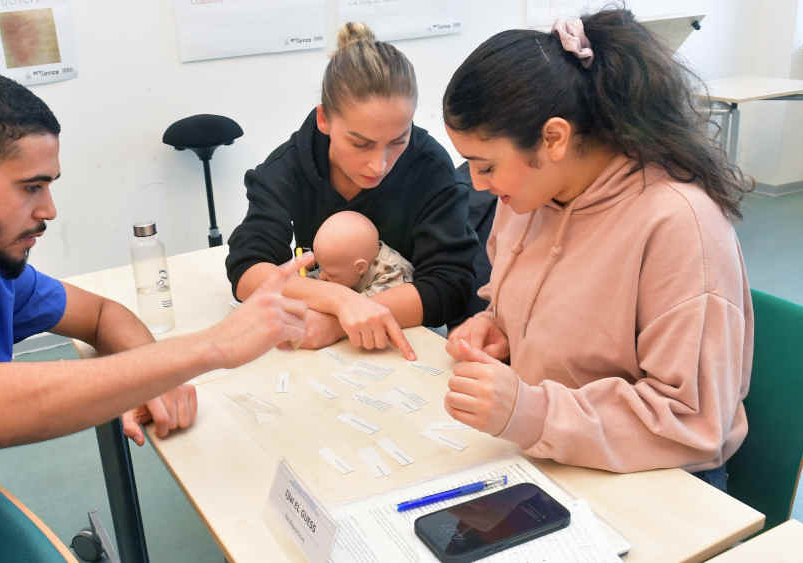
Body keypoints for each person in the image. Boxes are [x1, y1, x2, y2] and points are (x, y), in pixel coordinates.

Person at [0, 70, 311, 492]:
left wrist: (157, 378)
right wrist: (215, 346)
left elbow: (98, 315)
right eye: (32, 188)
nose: (48, 210)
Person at [441, 10, 754, 490]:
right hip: (552, 455)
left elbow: (694, 423)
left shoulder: (678, 224)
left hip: (661, 477)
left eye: (486, 166)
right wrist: (498, 328)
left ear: (554, 138)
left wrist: (532, 413)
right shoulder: (529, 196)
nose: (479, 187)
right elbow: (542, 313)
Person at [225, 22, 479, 360]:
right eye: (361, 144)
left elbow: (450, 285)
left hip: (407, 345)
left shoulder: (430, 166)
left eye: (398, 141)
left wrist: (337, 324)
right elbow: (247, 269)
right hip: (317, 337)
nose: (379, 164)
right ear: (324, 120)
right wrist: (340, 301)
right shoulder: (290, 165)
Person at [310, 210, 414, 297]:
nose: (322, 276)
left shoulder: (393, 275)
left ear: (360, 268)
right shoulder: (340, 263)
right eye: (320, 267)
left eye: (331, 275)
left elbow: (360, 310)